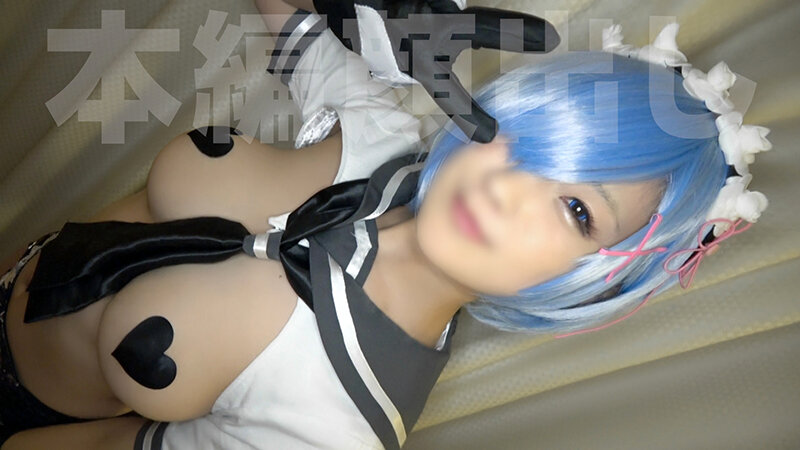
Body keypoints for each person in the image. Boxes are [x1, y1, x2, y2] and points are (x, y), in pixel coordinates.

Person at [0, 4, 770, 450]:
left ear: (599, 274)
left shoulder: (332, 425)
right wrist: (360, 15)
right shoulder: (382, 139)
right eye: (527, 138)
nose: (507, 188)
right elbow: (294, 20)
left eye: (576, 210)